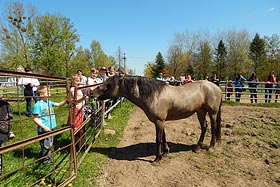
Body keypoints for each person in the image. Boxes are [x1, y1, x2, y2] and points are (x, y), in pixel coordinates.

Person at [33, 86, 68, 164]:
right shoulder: (38, 105)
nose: (50, 93)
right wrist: (44, 127)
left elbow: (58, 104)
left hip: (50, 127)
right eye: (48, 92)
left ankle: (45, 156)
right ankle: (46, 160)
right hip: (44, 130)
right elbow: (35, 119)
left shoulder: (48, 102)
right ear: (41, 94)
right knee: (46, 145)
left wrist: (66, 101)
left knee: (49, 143)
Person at [67, 74, 88, 150]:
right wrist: (84, 98)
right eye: (76, 81)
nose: (78, 82)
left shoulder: (78, 88)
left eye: (79, 81)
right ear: (72, 81)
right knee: (76, 127)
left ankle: (80, 145)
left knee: (81, 127)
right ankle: (76, 146)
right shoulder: (73, 89)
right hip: (76, 110)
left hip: (81, 109)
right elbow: (76, 100)